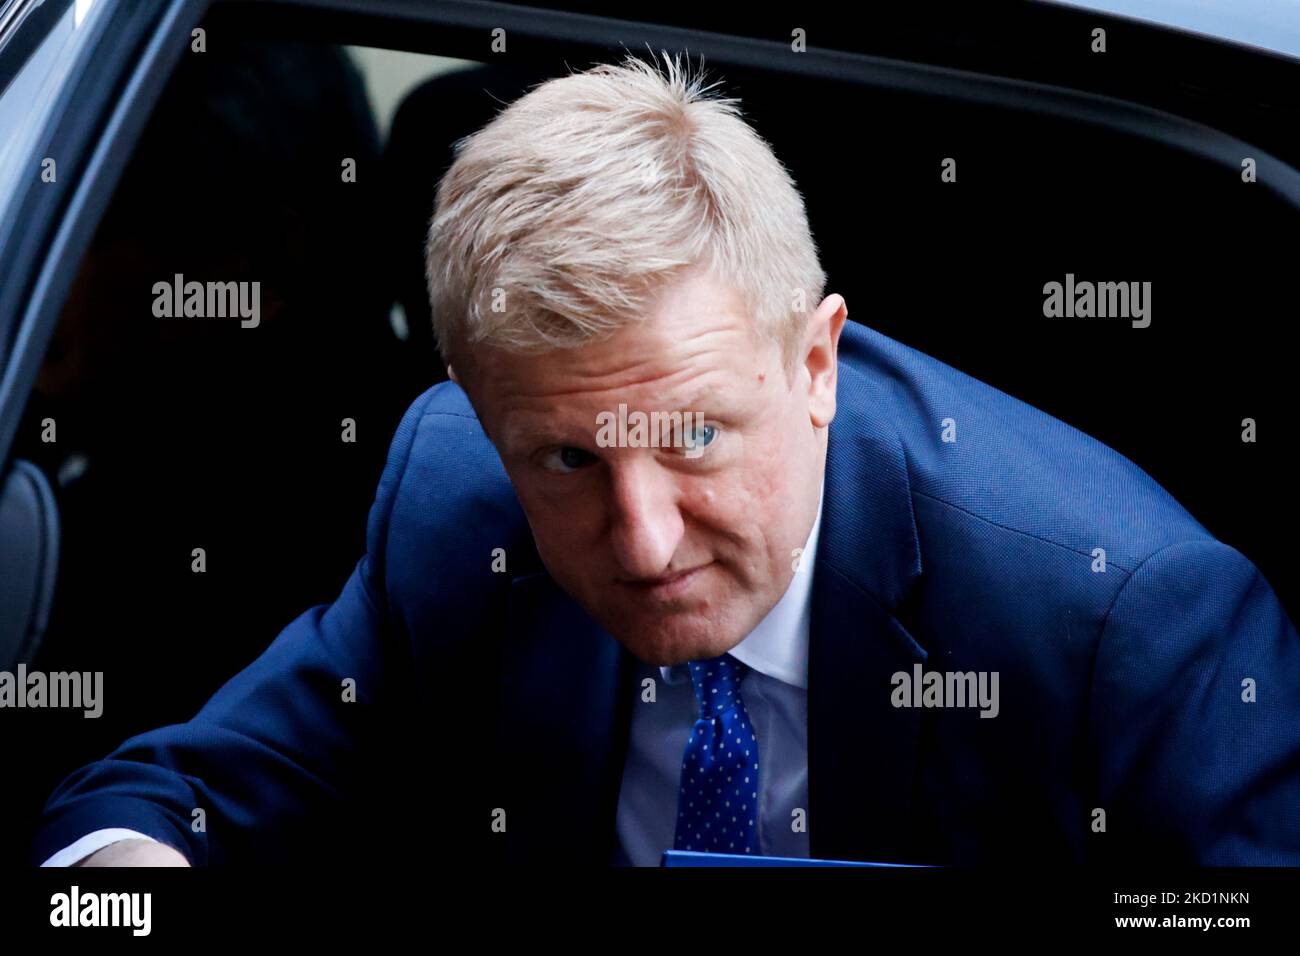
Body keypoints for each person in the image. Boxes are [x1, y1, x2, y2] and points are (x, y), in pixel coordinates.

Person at [32, 53, 1300, 868]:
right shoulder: (453, 505)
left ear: (815, 365)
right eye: (569, 460)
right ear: (482, 418)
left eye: (694, 437)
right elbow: (163, 797)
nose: (642, 544)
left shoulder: (1124, 615)